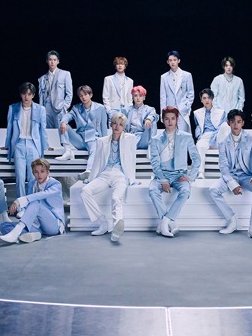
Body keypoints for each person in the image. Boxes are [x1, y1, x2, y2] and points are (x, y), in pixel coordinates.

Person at [80, 113, 138, 242]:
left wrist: (132, 179)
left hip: (120, 175)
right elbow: (96, 162)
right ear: (111, 124)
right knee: (85, 191)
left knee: (116, 197)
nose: (117, 126)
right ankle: (103, 223)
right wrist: (91, 179)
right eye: (115, 123)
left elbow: (132, 159)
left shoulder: (130, 139)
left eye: (121, 124)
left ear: (124, 127)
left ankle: (117, 226)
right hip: (104, 174)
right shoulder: (102, 141)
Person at [209, 109, 252, 241]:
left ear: (243, 123)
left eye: (239, 122)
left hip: (247, 176)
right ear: (228, 123)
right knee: (213, 190)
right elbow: (223, 167)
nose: (236, 125)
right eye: (233, 121)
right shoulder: (223, 142)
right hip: (231, 175)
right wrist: (232, 183)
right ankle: (232, 219)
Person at [149, 107, 201, 238]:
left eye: (173, 118)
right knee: (152, 190)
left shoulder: (186, 137)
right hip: (162, 174)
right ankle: (171, 224)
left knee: (186, 191)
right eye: (167, 119)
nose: (170, 121)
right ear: (162, 120)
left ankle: (165, 221)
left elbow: (196, 158)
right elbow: (155, 163)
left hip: (179, 175)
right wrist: (163, 180)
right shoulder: (156, 139)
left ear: (177, 119)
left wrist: (190, 176)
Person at [0, 158, 65, 244]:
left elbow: (42, 195)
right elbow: (28, 205)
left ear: (48, 172)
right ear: (33, 173)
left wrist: (20, 200)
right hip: (37, 224)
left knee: (36, 202)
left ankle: (17, 233)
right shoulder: (32, 184)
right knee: (4, 226)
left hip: (53, 225)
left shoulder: (55, 184)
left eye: (42, 171)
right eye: (36, 172)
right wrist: (22, 211)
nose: (39, 175)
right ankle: (36, 234)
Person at [5, 82, 49, 198]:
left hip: (33, 145)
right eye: (24, 94)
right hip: (19, 144)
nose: (26, 97)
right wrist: (7, 145)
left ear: (33, 95)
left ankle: (30, 202)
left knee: (32, 177)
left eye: (29, 94)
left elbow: (42, 130)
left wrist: (45, 146)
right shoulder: (13, 108)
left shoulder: (40, 109)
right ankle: (21, 203)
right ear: (21, 94)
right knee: (20, 176)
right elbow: (10, 129)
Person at [57, 85, 108, 180]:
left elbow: (103, 126)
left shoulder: (100, 108)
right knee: (62, 123)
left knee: (94, 149)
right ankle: (68, 151)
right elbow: (68, 116)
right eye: (81, 95)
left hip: (93, 138)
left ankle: (88, 171)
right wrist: (63, 121)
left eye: (85, 94)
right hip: (80, 139)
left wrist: (105, 143)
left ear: (91, 95)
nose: (83, 97)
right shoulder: (76, 108)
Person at [193, 88, 230, 178]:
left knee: (225, 125)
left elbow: (221, 128)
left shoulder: (221, 112)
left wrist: (212, 141)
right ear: (201, 100)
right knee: (200, 145)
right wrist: (199, 136)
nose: (207, 100)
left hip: (218, 136)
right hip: (205, 136)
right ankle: (200, 172)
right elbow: (198, 127)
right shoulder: (197, 113)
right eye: (204, 98)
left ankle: (228, 170)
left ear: (212, 99)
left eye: (209, 98)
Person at [37, 50, 73, 132]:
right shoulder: (42, 78)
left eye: (54, 60)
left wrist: (64, 107)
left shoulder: (65, 74)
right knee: (48, 132)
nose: (52, 62)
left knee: (61, 132)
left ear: (58, 61)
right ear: (47, 61)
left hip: (59, 108)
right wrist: (41, 110)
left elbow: (69, 93)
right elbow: (41, 97)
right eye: (50, 59)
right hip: (46, 109)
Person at [159, 50, 194, 133]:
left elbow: (191, 94)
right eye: (170, 60)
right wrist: (162, 113)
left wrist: (186, 107)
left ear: (179, 61)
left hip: (182, 110)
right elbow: (163, 96)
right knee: (171, 135)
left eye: (174, 60)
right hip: (169, 110)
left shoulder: (186, 75)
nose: (173, 62)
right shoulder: (164, 77)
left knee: (183, 135)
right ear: (167, 62)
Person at [123, 85, 158, 149]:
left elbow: (154, 115)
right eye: (135, 96)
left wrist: (148, 119)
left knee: (152, 122)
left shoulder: (149, 109)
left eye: (140, 96)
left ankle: (152, 145)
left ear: (144, 97)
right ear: (132, 97)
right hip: (130, 136)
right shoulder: (126, 110)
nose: (138, 98)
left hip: (144, 136)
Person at [102, 56, 133, 124]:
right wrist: (109, 111)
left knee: (125, 129)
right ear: (115, 66)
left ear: (125, 66)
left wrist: (129, 109)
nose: (120, 66)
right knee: (113, 129)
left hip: (125, 110)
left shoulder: (130, 81)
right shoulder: (108, 79)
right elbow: (105, 96)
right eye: (118, 64)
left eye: (122, 64)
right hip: (113, 109)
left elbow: (130, 97)